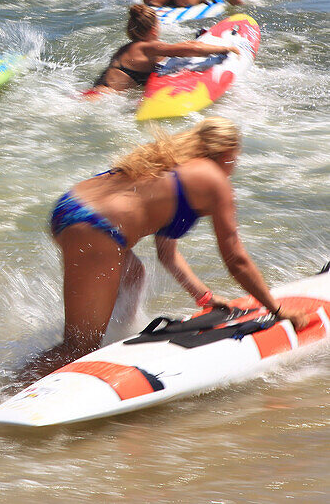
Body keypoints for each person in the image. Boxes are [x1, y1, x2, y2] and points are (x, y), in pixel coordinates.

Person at [28, 117, 311, 379]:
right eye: (236, 158)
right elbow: (236, 258)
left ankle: (112, 342)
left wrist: (204, 297)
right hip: (95, 229)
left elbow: (167, 254)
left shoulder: (169, 161)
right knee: (78, 347)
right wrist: (276, 309)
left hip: (71, 207)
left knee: (134, 273)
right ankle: (7, 390)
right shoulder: (213, 179)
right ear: (227, 154)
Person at [84, 4, 240, 96]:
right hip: (105, 98)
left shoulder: (126, 49)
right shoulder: (148, 47)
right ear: (153, 29)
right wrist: (225, 48)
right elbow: (189, 49)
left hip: (93, 93)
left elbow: (178, 49)